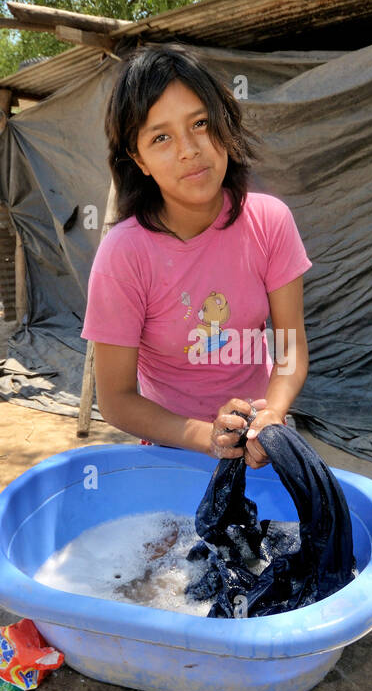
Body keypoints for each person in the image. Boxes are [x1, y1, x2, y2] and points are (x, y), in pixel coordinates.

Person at [81, 44, 310, 470]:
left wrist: (272, 415)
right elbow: (115, 400)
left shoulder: (270, 222)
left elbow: (290, 348)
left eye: (201, 123)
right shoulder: (124, 255)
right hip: (171, 448)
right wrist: (209, 438)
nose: (189, 149)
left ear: (226, 124)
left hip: (262, 439)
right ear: (139, 159)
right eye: (161, 137)